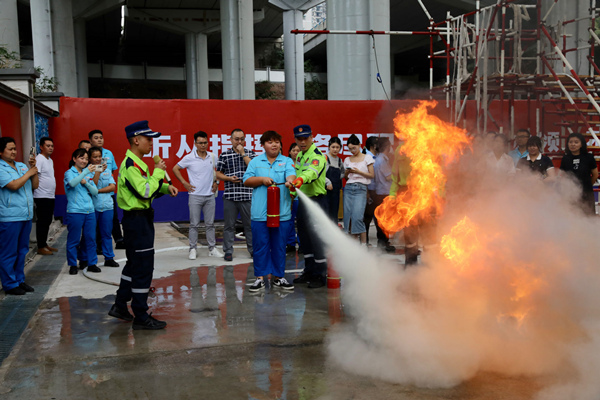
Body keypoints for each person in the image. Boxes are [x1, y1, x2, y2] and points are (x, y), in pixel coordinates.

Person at [108, 120, 178, 330]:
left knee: (133, 264)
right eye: (148, 139)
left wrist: (165, 188)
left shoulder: (137, 163)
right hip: (137, 221)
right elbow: (144, 191)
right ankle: (140, 314)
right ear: (136, 140)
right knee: (143, 267)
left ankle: (121, 305)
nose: (151, 143)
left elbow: (149, 187)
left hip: (139, 219)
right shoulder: (130, 165)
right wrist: (158, 171)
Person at [243, 130, 296, 292]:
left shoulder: (286, 161)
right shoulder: (255, 162)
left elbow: (292, 175)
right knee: (261, 246)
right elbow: (246, 180)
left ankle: (278, 277)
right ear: (263, 145)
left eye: (277, 142)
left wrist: (290, 182)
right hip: (260, 214)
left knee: (279, 246)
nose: (274, 145)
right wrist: (261, 180)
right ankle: (259, 277)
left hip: (282, 214)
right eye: (270, 142)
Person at [172, 131, 223, 260]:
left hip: (210, 195)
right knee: (194, 224)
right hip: (195, 195)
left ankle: (212, 248)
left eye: (205, 142)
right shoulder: (189, 157)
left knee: (210, 224)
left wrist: (216, 182)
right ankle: (193, 248)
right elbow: (175, 168)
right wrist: (184, 183)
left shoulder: (212, 157)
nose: (203, 145)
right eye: (200, 143)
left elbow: (220, 171)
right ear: (195, 144)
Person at [290, 124, 328, 289]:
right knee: (304, 238)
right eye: (299, 139)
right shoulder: (299, 156)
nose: (302, 142)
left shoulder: (317, 156)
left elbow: (311, 172)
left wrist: (300, 180)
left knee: (317, 239)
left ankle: (320, 274)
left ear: (312, 137)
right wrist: (293, 190)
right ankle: (309, 270)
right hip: (303, 202)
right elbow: (298, 174)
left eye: (305, 138)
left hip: (316, 202)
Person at [0, 137, 38, 295]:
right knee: (9, 252)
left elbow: (34, 186)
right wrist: (29, 172)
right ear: (1, 152)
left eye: (15, 148)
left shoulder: (22, 166)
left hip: (26, 215)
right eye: (10, 149)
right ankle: (9, 284)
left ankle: (19, 280)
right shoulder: (1, 168)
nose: (14, 152)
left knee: (22, 250)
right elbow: (14, 185)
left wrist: (33, 169)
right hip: (10, 216)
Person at [216, 129, 256, 261]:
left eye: (241, 139)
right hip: (230, 196)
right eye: (236, 139)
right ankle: (228, 251)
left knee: (250, 225)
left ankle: (252, 250)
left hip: (247, 195)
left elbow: (254, 169)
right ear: (231, 140)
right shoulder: (225, 155)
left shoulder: (251, 154)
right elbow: (218, 173)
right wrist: (228, 178)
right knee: (229, 225)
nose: (239, 142)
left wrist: (243, 154)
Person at [64, 149, 99, 275]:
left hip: (89, 211)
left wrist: (87, 183)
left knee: (90, 238)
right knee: (74, 239)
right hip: (75, 211)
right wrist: (85, 173)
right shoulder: (69, 173)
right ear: (74, 159)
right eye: (81, 158)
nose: (84, 161)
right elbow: (72, 184)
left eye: (86, 159)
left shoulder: (87, 174)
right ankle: (73, 264)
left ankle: (91, 263)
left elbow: (95, 192)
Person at [89, 129, 125, 249]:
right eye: (96, 138)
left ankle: (119, 240)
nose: (99, 140)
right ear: (90, 140)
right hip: (93, 193)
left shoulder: (108, 153)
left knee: (113, 217)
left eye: (101, 137)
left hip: (108, 191)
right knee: (95, 221)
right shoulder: (87, 155)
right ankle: (97, 245)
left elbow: (112, 171)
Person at [89, 147, 119, 268]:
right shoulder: (87, 171)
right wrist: (97, 172)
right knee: (91, 235)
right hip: (93, 207)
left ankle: (109, 258)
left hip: (107, 206)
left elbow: (112, 187)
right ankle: (91, 261)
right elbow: (92, 185)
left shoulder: (107, 171)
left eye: (99, 157)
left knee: (106, 233)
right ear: (90, 158)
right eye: (94, 157)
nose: (97, 159)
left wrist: (98, 191)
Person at [343, 134, 375, 244]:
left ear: (359, 145)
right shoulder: (347, 159)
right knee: (348, 218)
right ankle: (353, 244)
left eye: (354, 148)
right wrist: (347, 173)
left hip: (361, 189)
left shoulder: (367, 158)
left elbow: (372, 175)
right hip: (348, 188)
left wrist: (359, 172)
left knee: (358, 217)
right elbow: (346, 178)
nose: (352, 151)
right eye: (350, 149)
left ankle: (363, 244)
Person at [560, 132, 599, 215]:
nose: (573, 144)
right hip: (570, 194)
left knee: (588, 217)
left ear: (581, 144)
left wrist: (587, 185)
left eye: (576, 142)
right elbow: (562, 176)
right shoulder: (565, 158)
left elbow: (595, 174)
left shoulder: (589, 157)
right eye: (570, 142)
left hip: (586, 193)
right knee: (572, 217)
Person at [34, 137, 57, 255]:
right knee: (42, 221)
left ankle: (44, 243)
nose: (50, 148)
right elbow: (35, 175)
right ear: (41, 147)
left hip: (50, 195)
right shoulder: (39, 159)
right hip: (41, 195)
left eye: (52, 146)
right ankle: (40, 246)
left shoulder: (49, 160)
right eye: (48, 146)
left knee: (47, 220)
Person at [372, 137, 395, 252]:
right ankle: (383, 244)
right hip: (384, 192)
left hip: (380, 192)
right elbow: (388, 176)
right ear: (387, 147)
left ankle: (384, 242)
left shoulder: (379, 159)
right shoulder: (382, 160)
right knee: (383, 219)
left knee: (381, 219)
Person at [362, 136, 379, 245]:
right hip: (369, 190)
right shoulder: (367, 157)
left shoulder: (376, 157)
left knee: (377, 217)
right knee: (367, 217)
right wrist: (367, 192)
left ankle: (381, 240)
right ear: (373, 146)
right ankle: (365, 240)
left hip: (376, 190)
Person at [325, 137, 345, 224]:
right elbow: (320, 174)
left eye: (337, 147)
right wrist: (328, 182)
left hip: (335, 192)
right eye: (333, 147)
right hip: (325, 191)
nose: (335, 149)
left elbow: (343, 173)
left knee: (334, 214)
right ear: (329, 147)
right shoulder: (324, 158)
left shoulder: (340, 161)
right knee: (325, 214)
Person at [286, 142, 300, 252]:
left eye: (298, 150)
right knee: (289, 221)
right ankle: (290, 243)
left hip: (300, 197)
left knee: (301, 221)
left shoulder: (303, 163)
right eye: (293, 150)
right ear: (290, 152)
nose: (296, 152)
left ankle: (301, 243)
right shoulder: (286, 163)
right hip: (288, 196)